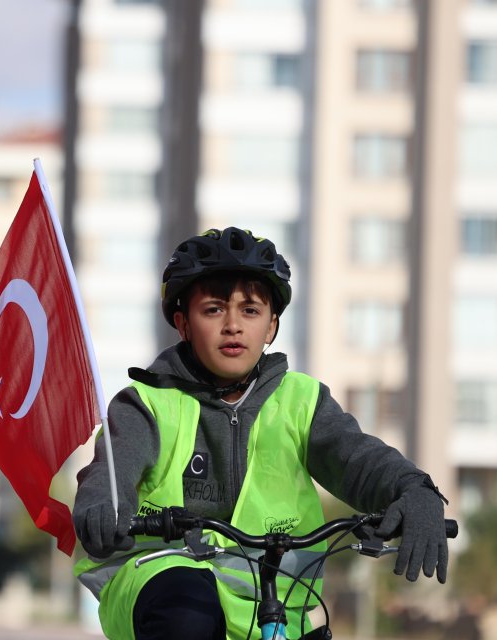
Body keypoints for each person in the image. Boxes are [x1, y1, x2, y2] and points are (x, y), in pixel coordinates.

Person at [73, 227, 450, 640]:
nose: (233, 325)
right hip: (160, 584)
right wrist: (104, 504)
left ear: (271, 326)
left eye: (250, 311)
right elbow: (114, 465)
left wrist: (414, 490)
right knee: (187, 613)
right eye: (214, 310)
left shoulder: (301, 401)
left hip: (273, 605)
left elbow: (356, 457)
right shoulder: (145, 403)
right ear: (182, 323)